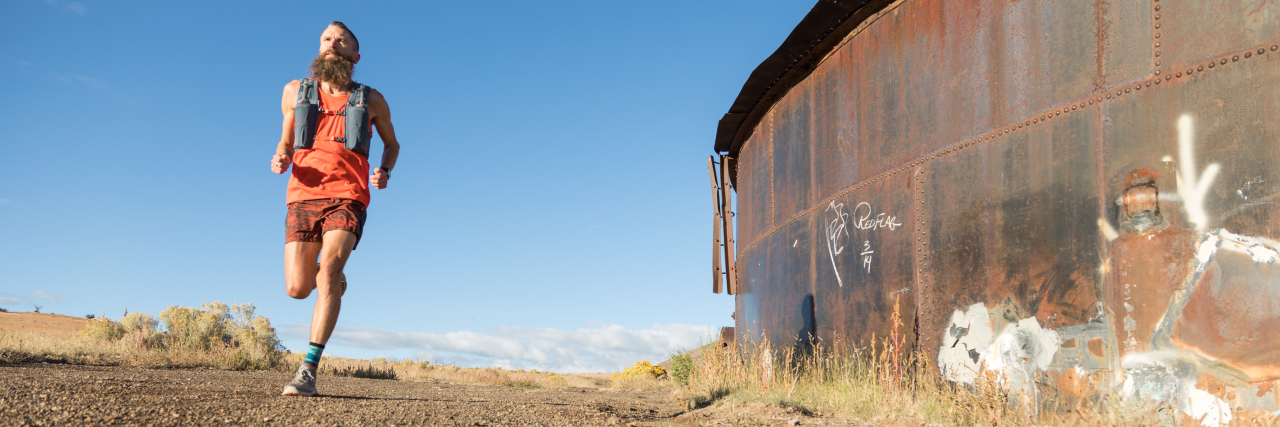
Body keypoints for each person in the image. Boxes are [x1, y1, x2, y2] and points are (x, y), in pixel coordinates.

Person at [271, 21, 401, 397]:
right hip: (303, 195)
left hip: (349, 195)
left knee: (328, 269)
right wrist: (280, 156)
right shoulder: (294, 92)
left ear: (354, 56)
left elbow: (393, 144)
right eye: (327, 39)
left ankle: (308, 370)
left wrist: (385, 171)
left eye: (341, 41)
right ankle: (336, 281)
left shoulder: (371, 99)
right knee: (297, 288)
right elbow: (284, 141)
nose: (333, 44)